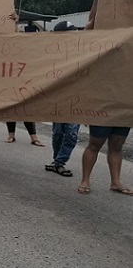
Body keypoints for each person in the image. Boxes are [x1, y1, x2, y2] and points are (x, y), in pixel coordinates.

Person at [78, 12, 132, 195]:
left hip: (124, 105)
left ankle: (116, 182)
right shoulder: (100, 50)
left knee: (117, 145)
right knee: (95, 143)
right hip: (102, 104)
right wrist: (93, 19)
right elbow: (84, 43)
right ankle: (85, 180)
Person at [46, 21, 81, 178]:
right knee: (58, 133)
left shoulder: (82, 52)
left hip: (77, 99)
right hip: (58, 99)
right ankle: (56, 161)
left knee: (71, 133)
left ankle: (59, 162)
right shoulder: (53, 54)